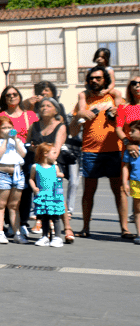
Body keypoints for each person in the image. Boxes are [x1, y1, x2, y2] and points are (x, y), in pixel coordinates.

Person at [72, 65, 127, 239]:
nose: (94, 81)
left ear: (105, 80)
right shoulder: (84, 98)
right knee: (88, 191)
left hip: (115, 149)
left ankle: (125, 229)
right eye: (91, 78)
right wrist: (80, 116)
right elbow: (73, 130)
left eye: (98, 78)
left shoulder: (115, 96)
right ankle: (85, 227)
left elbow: (128, 121)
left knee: (119, 191)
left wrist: (117, 112)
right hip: (90, 150)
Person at [25, 97, 69, 242]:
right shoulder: (34, 125)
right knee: (41, 198)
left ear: (56, 110)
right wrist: (32, 148)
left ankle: (67, 228)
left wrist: (47, 160)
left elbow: (56, 149)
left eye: (48, 106)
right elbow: (27, 143)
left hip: (53, 165)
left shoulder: (60, 126)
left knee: (57, 198)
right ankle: (44, 231)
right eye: (42, 106)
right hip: (37, 166)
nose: (44, 108)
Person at [0, 117, 28, 244]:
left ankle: (17, 233)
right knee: (0, 205)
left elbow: (23, 154)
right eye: (4, 128)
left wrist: (15, 140)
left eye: (9, 127)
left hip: (17, 174)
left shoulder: (17, 141)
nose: (7, 130)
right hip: (1, 175)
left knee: (14, 206)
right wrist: (5, 140)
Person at [28, 143, 65, 247]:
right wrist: (34, 188)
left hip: (54, 195)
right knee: (44, 217)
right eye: (53, 153)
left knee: (55, 216)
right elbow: (31, 178)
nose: (56, 155)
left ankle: (57, 237)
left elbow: (59, 175)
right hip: (43, 195)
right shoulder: (36, 167)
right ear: (45, 154)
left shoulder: (55, 167)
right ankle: (45, 236)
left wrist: (61, 174)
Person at [121, 120, 140, 245]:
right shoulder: (130, 149)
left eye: (133, 131)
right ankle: (139, 234)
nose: (130, 133)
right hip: (136, 182)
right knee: (138, 209)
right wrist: (125, 182)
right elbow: (125, 166)